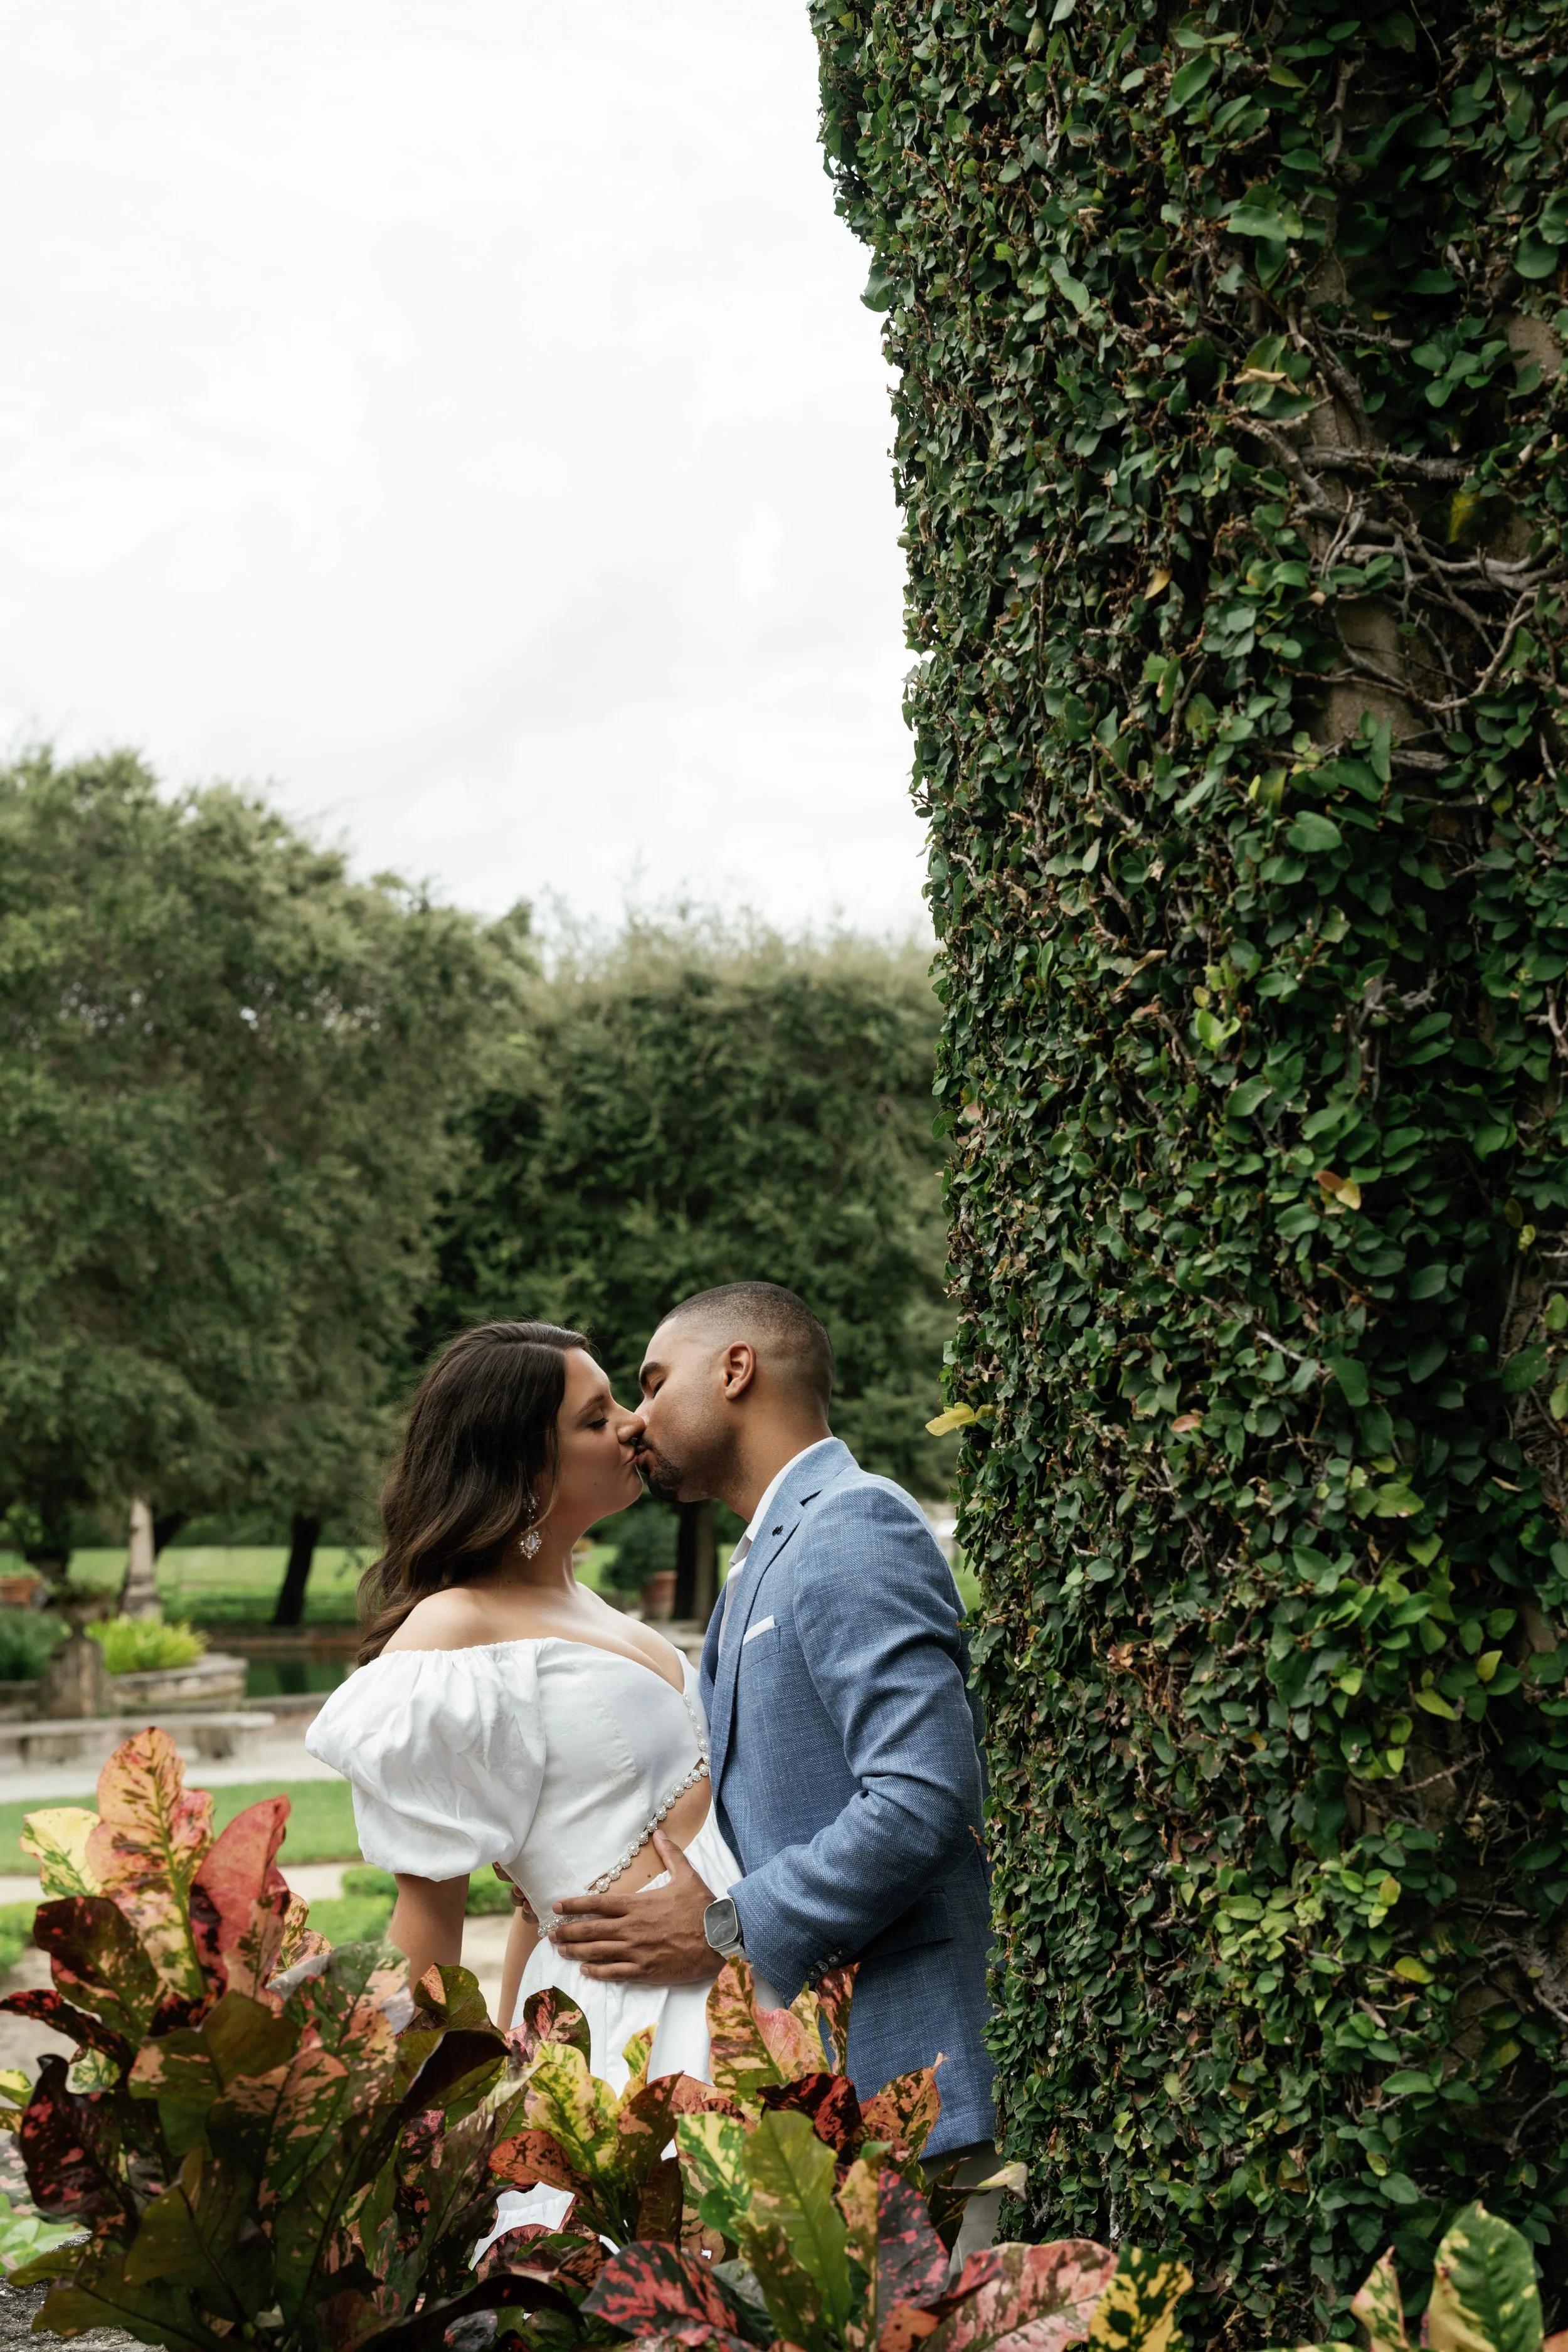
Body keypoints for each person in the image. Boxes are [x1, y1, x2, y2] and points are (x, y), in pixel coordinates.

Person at [548, 1281, 998, 2223]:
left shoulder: (852, 1523)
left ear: (737, 1368)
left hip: (912, 2083)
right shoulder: (763, 1555)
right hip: (826, 2097)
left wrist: (727, 1926)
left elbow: (925, 1796)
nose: (635, 1422)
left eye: (654, 1381)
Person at [304, 1318, 743, 2244]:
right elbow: (431, 1915)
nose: (633, 1425)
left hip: (719, 1987)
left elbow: (526, 1911)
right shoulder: (450, 1633)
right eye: (596, 1418)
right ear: (519, 1464)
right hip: (619, 2019)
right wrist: (424, 2121)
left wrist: (516, 2045)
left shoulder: (594, 1607)